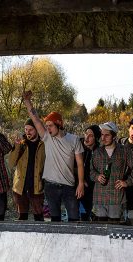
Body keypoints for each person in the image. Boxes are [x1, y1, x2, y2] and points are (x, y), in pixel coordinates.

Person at [22, 91, 85, 222]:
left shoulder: (74, 140)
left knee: (74, 219)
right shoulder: (47, 138)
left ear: (59, 124)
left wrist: (80, 184)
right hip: (50, 186)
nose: (48, 129)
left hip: (69, 186)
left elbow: (80, 164)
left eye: (50, 126)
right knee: (54, 221)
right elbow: (35, 119)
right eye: (47, 126)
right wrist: (27, 102)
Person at [90, 122, 133, 221]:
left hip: (116, 199)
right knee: (100, 231)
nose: (103, 138)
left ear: (114, 136)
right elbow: (91, 172)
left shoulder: (124, 151)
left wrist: (127, 182)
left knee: (115, 231)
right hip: (99, 198)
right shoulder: (97, 152)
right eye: (102, 135)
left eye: (107, 135)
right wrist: (97, 176)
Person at [8, 118, 46, 221]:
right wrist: (16, 146)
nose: (27, 132)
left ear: (37, 130)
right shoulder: (21, 144)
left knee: (39, 218)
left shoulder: (44, 144)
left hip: (37, 187)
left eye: (31, 129)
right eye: (25, 129)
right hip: (21, 187)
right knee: (22, 218)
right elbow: (11, 164)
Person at [79, 125, 101, 221]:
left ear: (96, 138)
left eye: (90, 135)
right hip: (76, 184)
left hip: (92, 187)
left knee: (87, 214)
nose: (86, 137)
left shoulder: (99, 151)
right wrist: (81, 179)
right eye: (86, 134)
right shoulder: (78, 145)